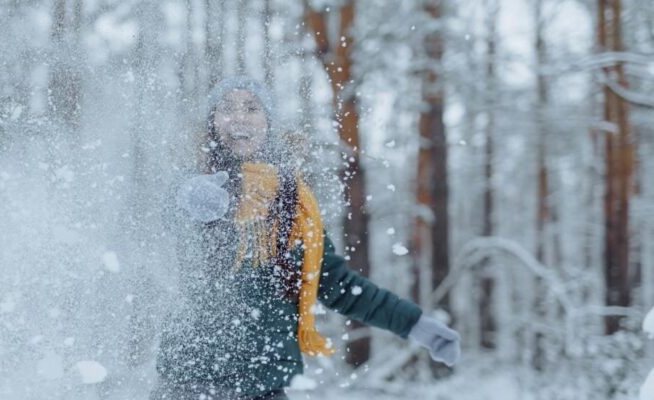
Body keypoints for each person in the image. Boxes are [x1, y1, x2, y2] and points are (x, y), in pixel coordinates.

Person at [151, 76, 460, 400]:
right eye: (226, 108)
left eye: (251, 107)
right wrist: (191, 197)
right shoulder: (196, 182)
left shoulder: (295, 208)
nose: (239, 116)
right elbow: (173, 212)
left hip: (265, 386)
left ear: (268, 124)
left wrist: (416, 325)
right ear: (212, 124)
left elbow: (340, 286)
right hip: (188, 383)